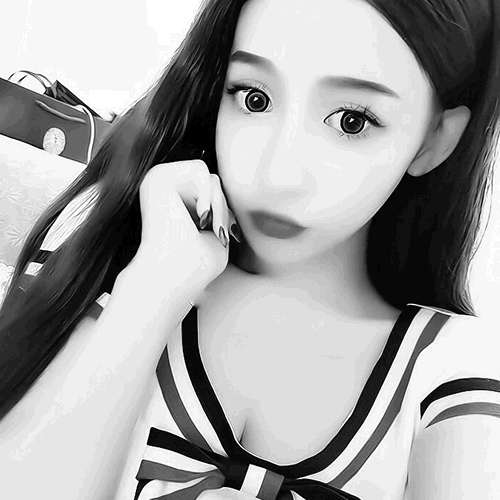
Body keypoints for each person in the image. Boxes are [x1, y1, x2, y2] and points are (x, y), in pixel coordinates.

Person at [0, 0, 499, 498]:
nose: (278, 174)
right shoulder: (109, 267)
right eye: (254, 99)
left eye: (352, 121)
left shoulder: (450, 368)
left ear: (435, 139)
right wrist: (150, 291)